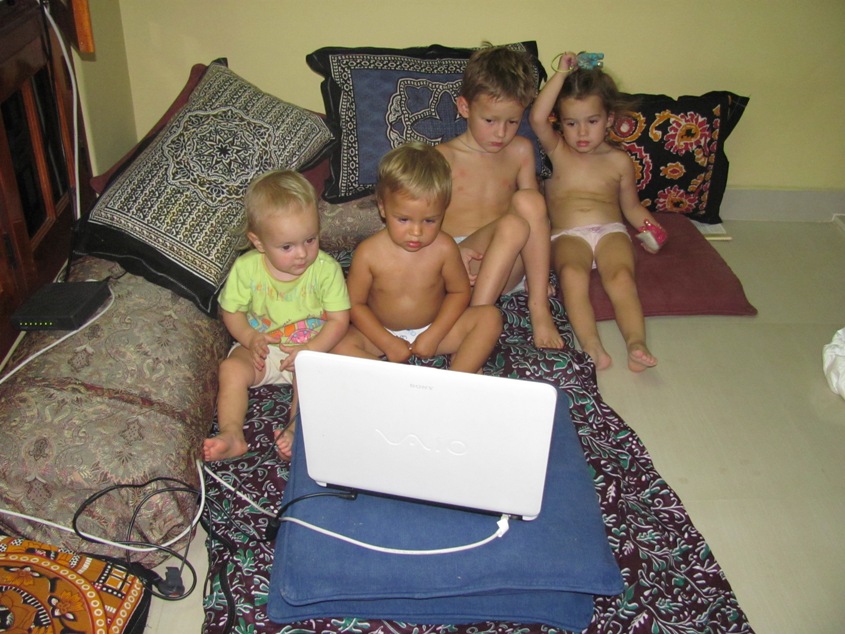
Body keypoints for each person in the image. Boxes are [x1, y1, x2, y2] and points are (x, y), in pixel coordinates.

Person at [529, 52, 666, 372]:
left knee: (621, 277)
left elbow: (631, 207)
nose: (582, 133)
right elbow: (536, 117)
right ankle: (592, 345)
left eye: (592, 121)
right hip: (567, 235)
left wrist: (654, 231)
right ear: (559, 123)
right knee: (572, 276)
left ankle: (636, 343)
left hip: (610, 232)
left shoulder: (618, 161)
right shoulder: (557, 150)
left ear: (609, 119)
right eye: (571, 123)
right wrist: (561, 74)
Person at [203, 170, 350, 462]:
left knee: (311, 382)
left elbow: (339, 320)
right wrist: (250, 338)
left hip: (309, 348)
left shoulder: (326, 269)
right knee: (231, 370)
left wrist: (310, 349)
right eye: (287, 247)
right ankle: (232, 434)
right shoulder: (247, 268)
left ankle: (295, 431)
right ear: (258, 243)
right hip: (262, 349)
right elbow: (232, 312)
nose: (302, 254)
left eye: (310, 240)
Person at [435, 44, 564, 351]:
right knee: (514, 221)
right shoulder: (442, 157)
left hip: (508, 267)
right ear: (465, 108)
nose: (501, 133)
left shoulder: (521, 151)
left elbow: (534, 218)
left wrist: (536, 273)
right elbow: (423, 219)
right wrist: (445, 252)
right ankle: (475, 319)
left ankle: (538, 306)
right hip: (460, 263)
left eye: (512, 122)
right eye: (490, 120)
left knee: (529, 203)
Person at [332, 142, 502, 374]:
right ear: (382, 207)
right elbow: (355, 304)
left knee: (490, 318)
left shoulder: (445, 248)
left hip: (435, 329)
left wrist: (434, 334)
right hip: (380, 333)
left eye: (430, 220)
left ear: (443, 210)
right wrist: (387, 342)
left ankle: (457, 379)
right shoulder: (368, 253)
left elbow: (459, 292)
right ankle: (390, 380)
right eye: (403, 219)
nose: (416, 232)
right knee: (337, 344)